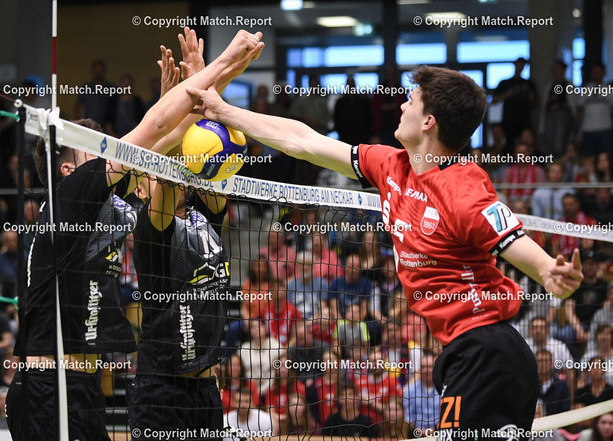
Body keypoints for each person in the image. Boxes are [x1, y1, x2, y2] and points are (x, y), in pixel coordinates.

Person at [188, 64, 584, 440]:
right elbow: (303, 141)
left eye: (411, 101)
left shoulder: (462, 187)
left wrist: (548, 270)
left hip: (484, 352)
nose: (401, 106)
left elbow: (509, 236)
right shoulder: (391, 166)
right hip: (469, 352)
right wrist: (224, 111)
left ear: (428, 122)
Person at [8, 28, 264, 441]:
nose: (109, 153)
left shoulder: (98, 208)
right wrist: (224, 65)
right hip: (49, 387)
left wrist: (198, 88)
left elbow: (160, 146)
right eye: (95, 148)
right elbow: (153, 132)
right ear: (68, 169)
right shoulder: (68, 197)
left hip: (81, 386)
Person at [127, 28, 263, 441]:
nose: (158, 176)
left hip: (206, 390)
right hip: (161, 390)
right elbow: (169, 163)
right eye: (147, 174)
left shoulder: (205, 221)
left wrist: (204, 92)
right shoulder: (151, 231)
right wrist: (187, 93)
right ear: (139, 190)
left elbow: (210, 159)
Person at [492, 57, 538, 152]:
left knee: (525, 144)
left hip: (524, 120)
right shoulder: (505, 83)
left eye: (522, 65)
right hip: (509, 120)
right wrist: (507, 94)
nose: (520, 67)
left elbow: (536, 104)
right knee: (509, 145)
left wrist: (530, 98)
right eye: (519, 64)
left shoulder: (528, 83)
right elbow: (493, 100)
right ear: (515, 65)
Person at [402, 352, 440, 431]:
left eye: (430, 367)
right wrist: (417, 429)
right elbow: (407, 417)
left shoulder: (442, 389)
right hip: (414, 432)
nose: (426, 370)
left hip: (439, 431)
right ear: (420, 370)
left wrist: (435, 429)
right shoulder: (411, 390)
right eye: (423, 367)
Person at [536, 349, 570, 416]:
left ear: (551, 363)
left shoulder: (561, 386)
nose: (543, 364)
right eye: (540, 361)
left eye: (546, 361)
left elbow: (565, 411)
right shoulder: (530, 385)